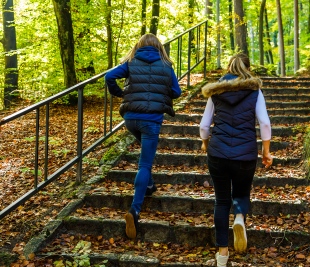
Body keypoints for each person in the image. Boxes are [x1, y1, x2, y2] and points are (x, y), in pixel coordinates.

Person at [105, 33, 182, 240]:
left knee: (145, 160)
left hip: (131, 119)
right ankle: (134, 211)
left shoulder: (131, 62)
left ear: (138, 46)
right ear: (159, 47)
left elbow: (108, 77)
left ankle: (149, 185)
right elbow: (177, 92)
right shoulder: (166, 66)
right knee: (144, 165)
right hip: (151, 121)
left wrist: (120, 93)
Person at [199, 53, 273, 267]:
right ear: (248, 68)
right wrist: (266, 151)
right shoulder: (254, 90)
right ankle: (239, 218)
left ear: (229, 67)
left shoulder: (217, 90)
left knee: (222, 201)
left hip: (218, 153)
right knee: (241, 192)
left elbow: (204, 126)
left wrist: (205, 143)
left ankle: (222, 255)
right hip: (245, 154)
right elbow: (265, 123)